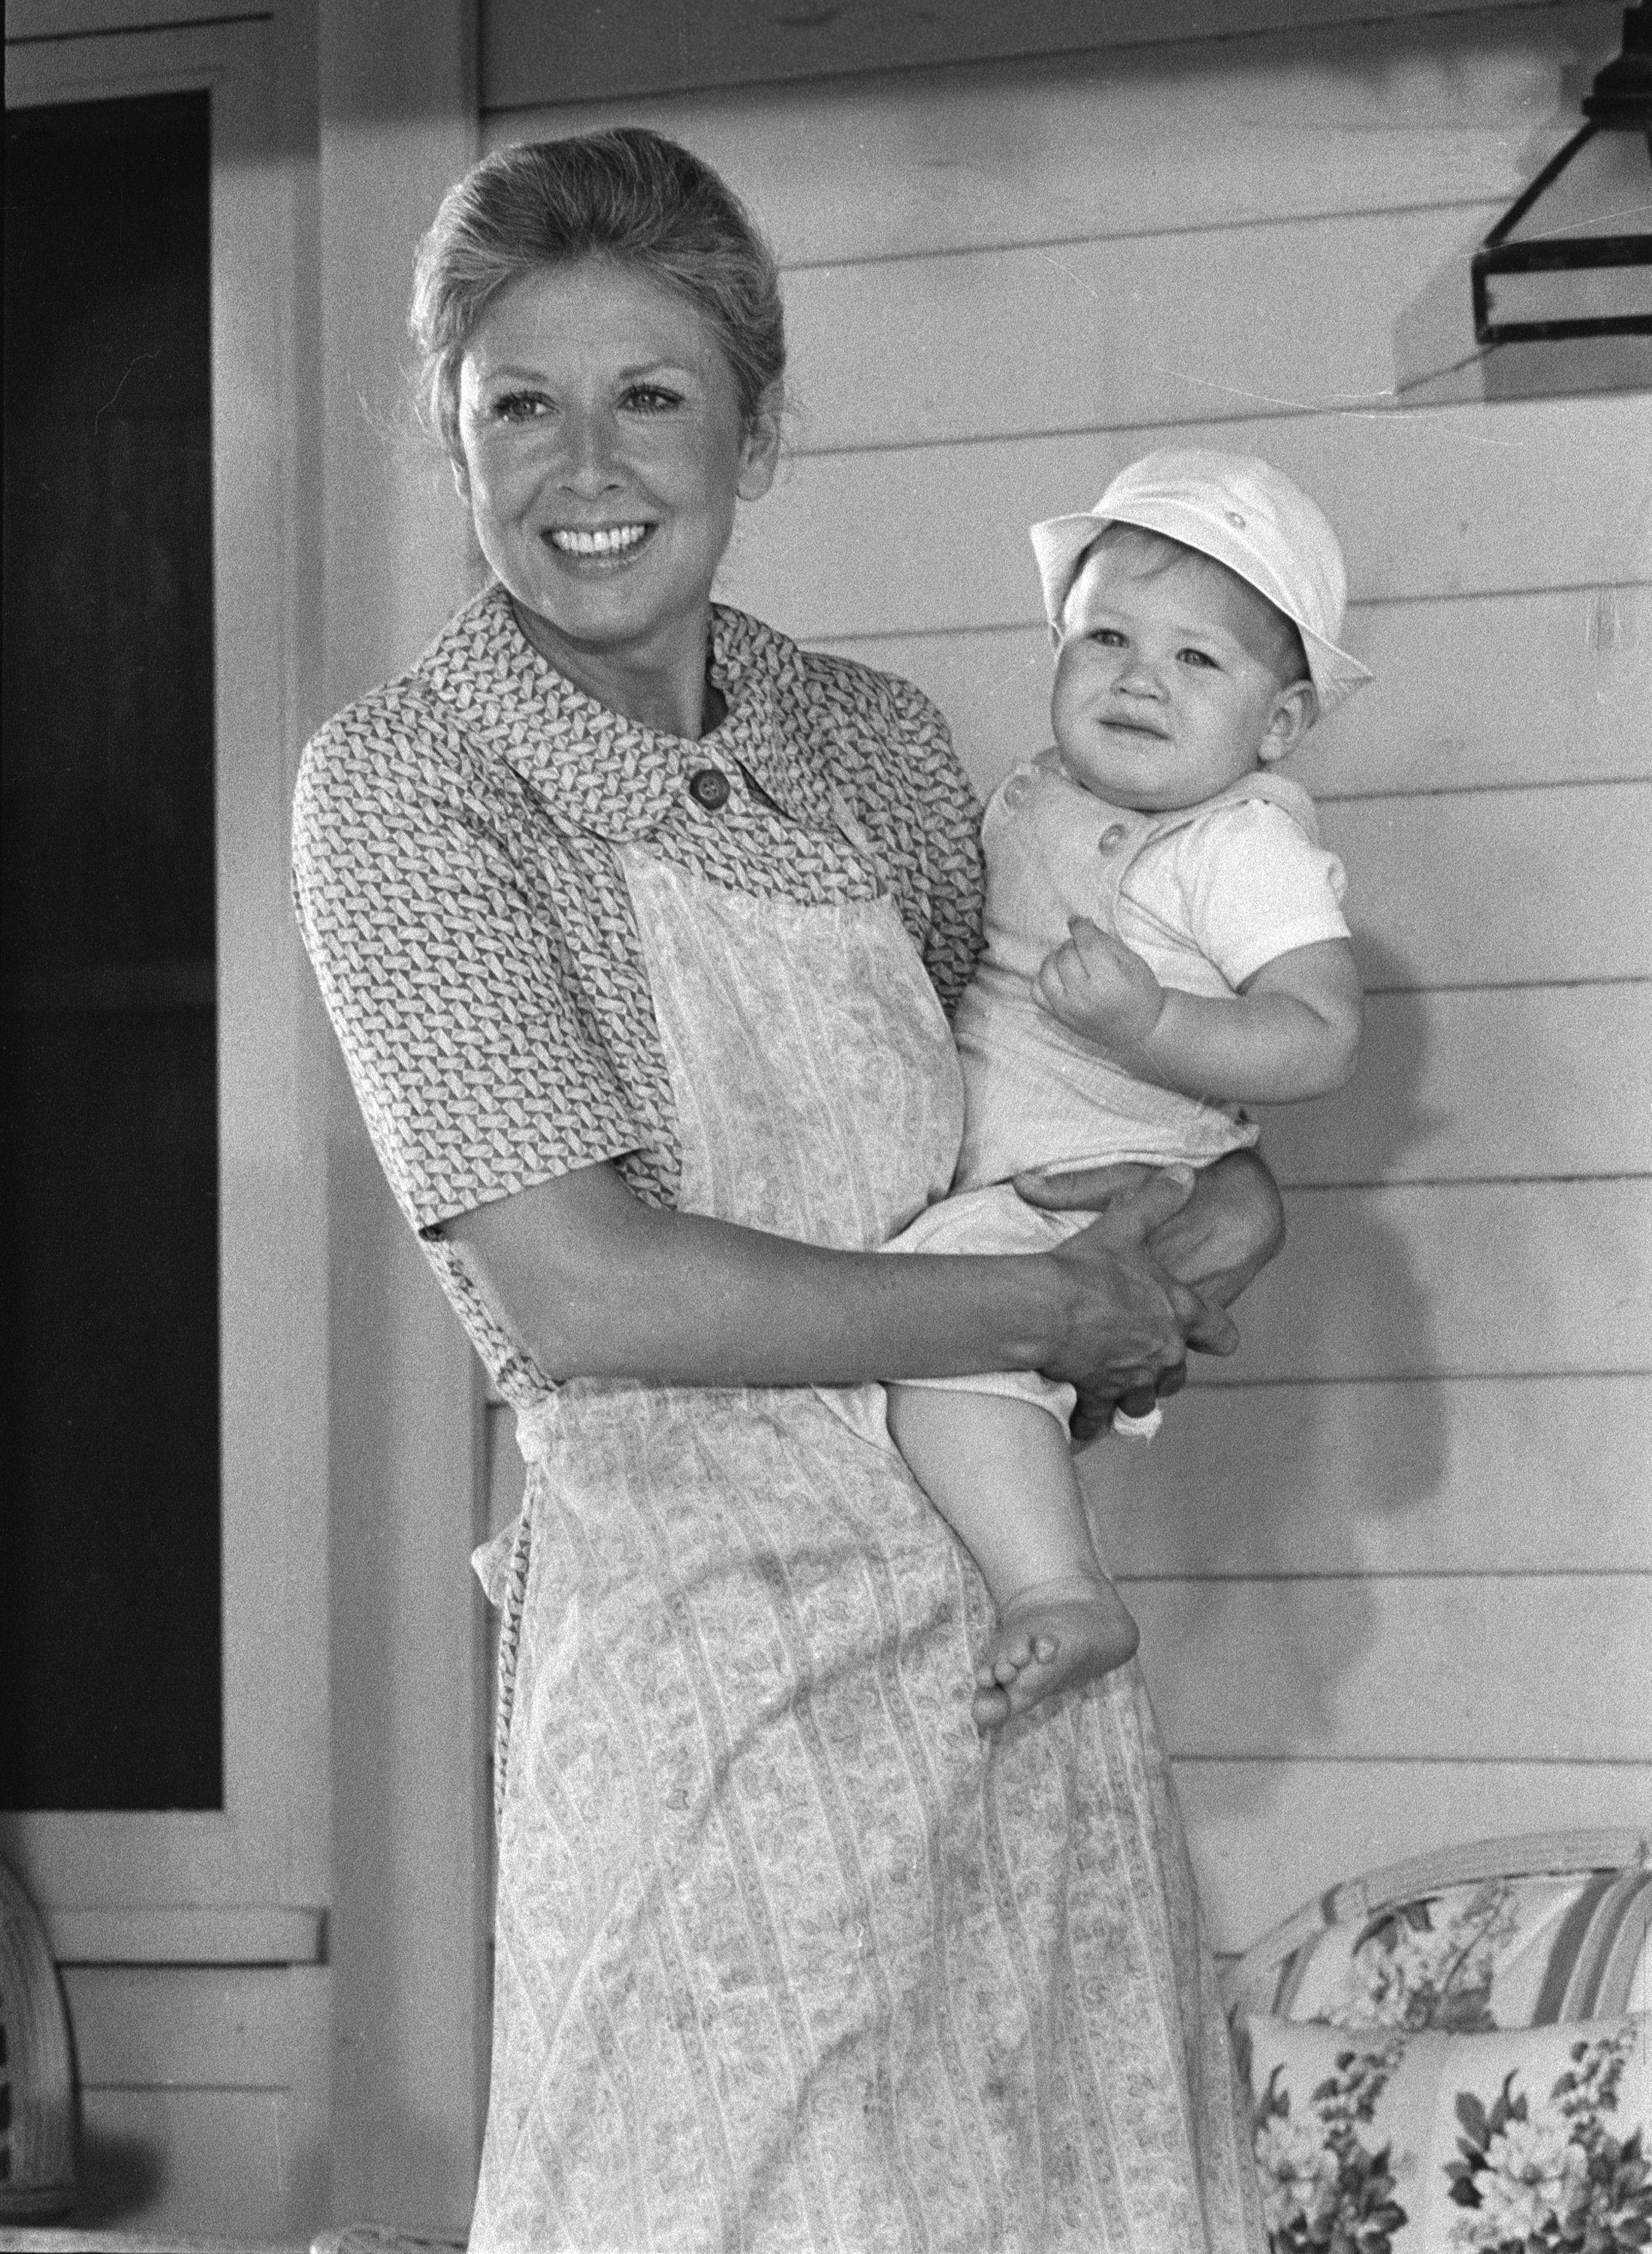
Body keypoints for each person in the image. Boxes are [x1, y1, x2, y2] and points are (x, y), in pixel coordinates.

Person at [292, 126, 1281, 2251]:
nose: (587, 467)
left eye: (650, 394)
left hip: (1011, 1662)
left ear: (754, 422)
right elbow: (591, 1291)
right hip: (705, 1707)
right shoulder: (410, 782)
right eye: (517, 405)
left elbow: (1004, 1138)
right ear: (446, 431)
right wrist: (1048, 1314)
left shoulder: (883, 749)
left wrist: (1186, 1229)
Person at [887, 450, 1369, 1730]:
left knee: (951, 1361)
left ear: (1277, 726)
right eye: (1105, 635)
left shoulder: (1238, 847)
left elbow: (1318, 1038)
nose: (1138, 676)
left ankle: (1057, 1588)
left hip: (1077, 1187)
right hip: (990, 1158)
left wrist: (1153, 1022)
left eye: (1197, 659)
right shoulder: (1032, 790)